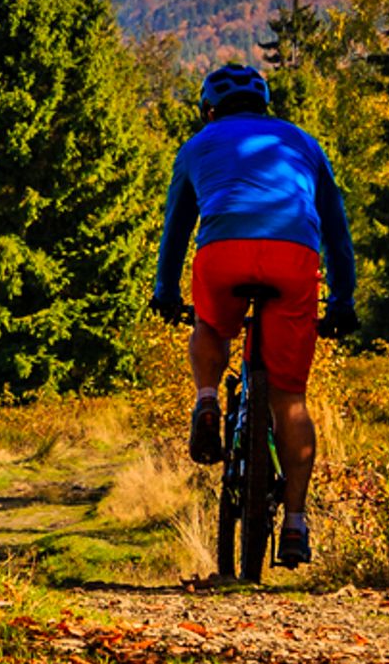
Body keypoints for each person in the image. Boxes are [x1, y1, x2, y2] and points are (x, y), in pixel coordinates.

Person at [148, 61, 357, 569]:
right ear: (265, 105)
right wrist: (344, 299)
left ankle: (206, 400)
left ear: (210, 109)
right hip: (294, 256)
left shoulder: (197, 145)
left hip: (223, 253)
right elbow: (336, 227)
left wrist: (165, 292)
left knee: (211, 326)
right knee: (290, 398)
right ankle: (295, 524)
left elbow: (177, 227)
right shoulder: (304, 143)